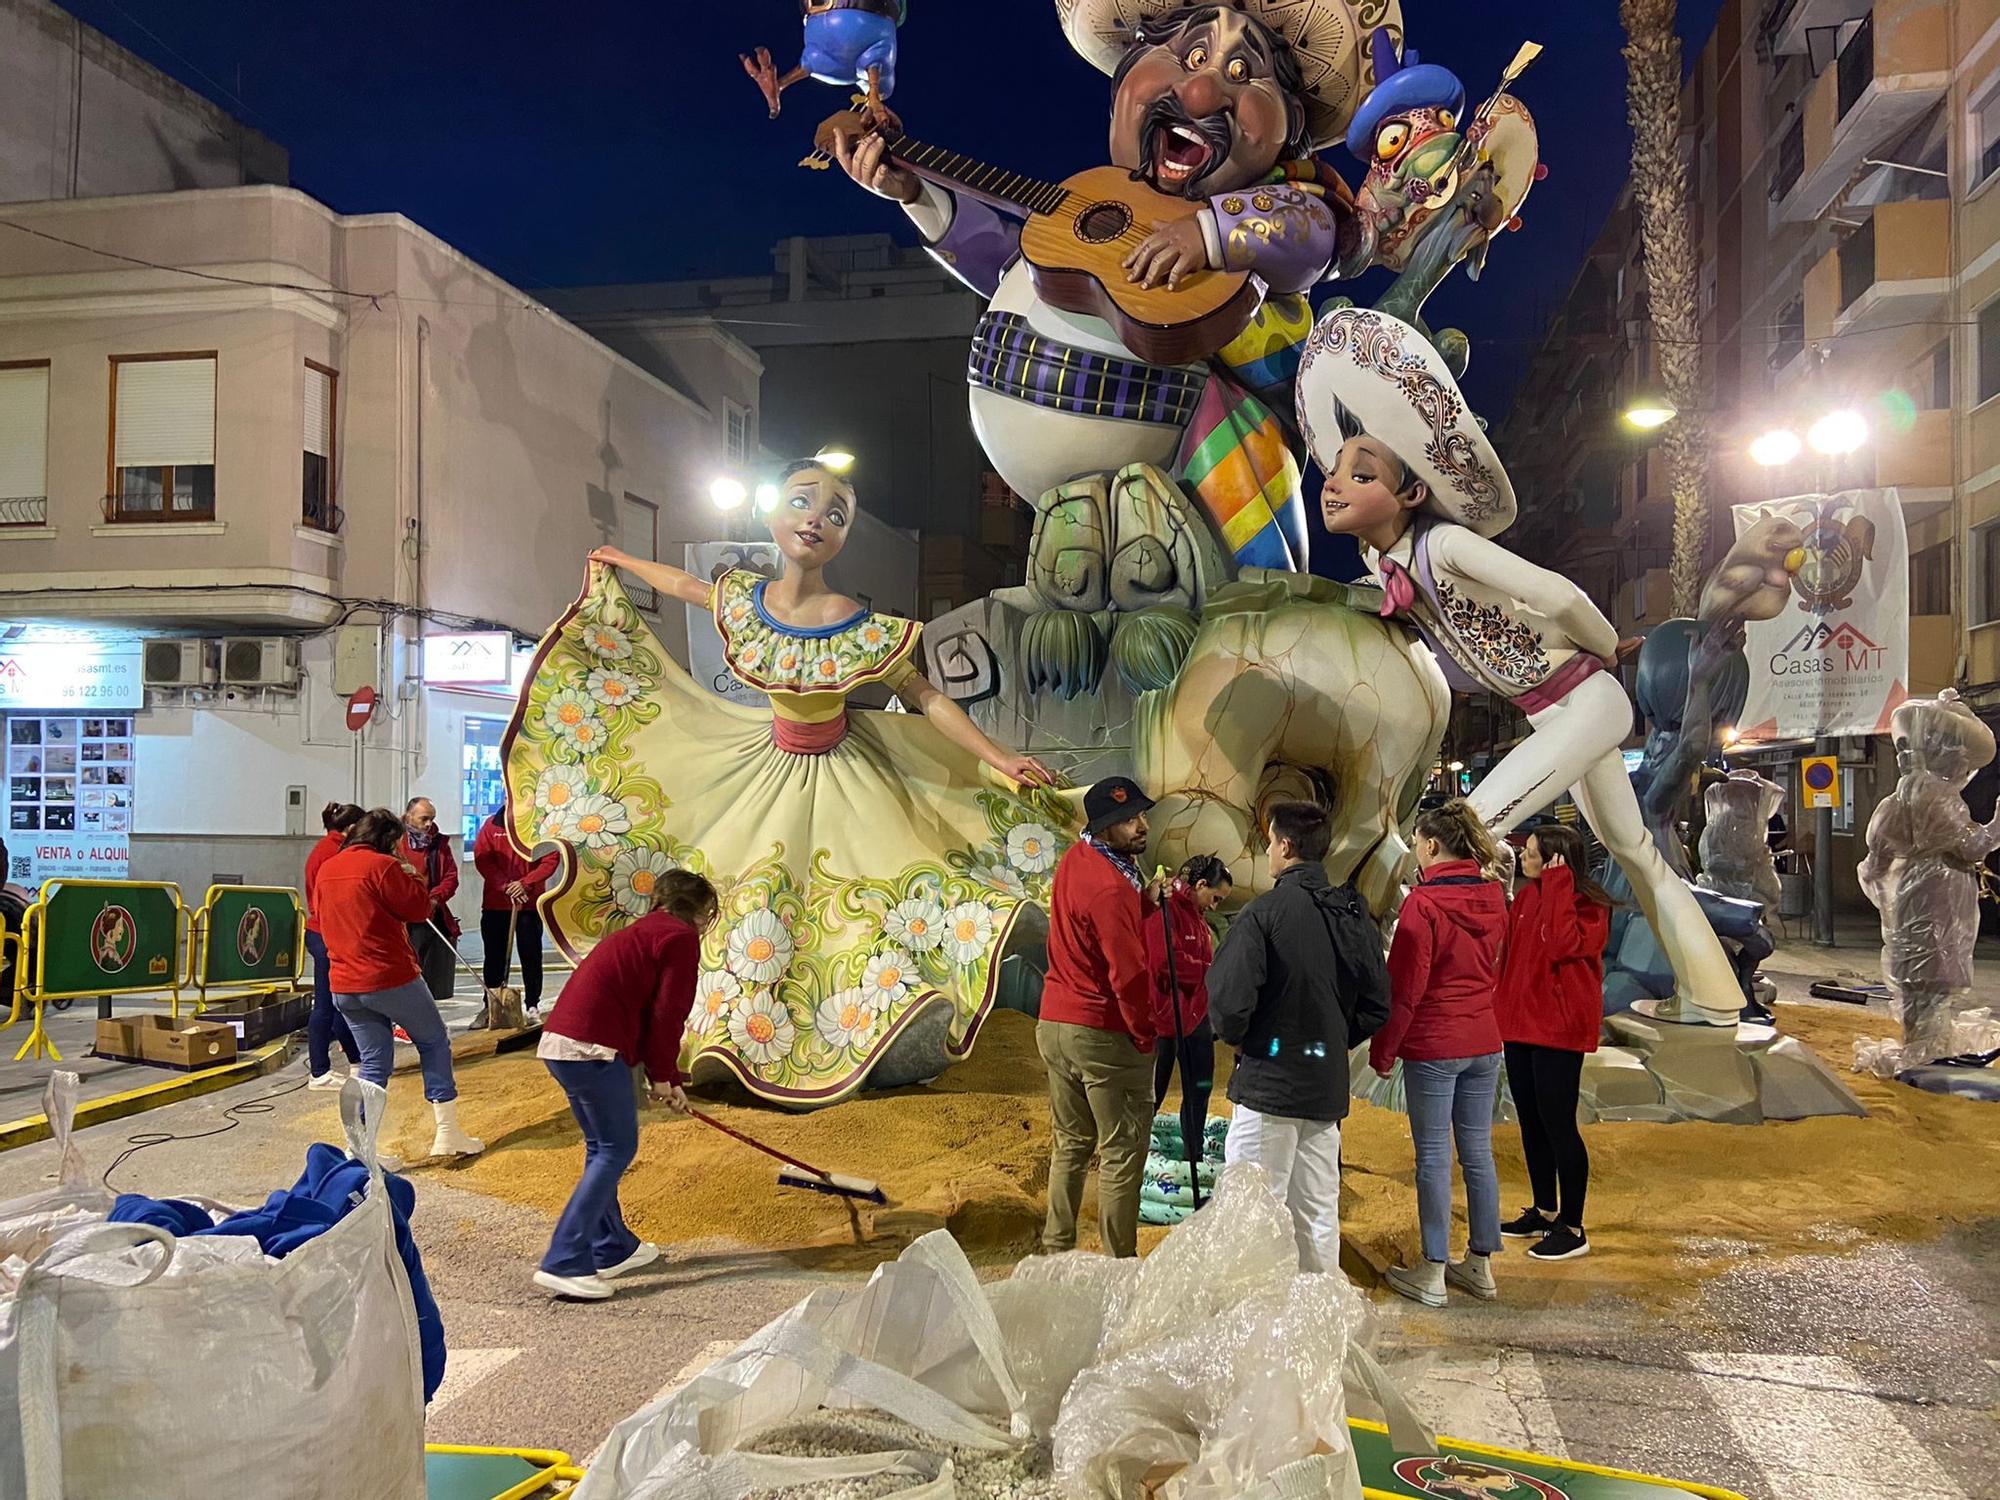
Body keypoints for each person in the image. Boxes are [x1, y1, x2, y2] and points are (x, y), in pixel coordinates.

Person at [1296, 306, 1746, 1027]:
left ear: (1413, 493)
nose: (1335, 482)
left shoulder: (1443, 548)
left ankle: (1439, 1006)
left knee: (1466, 825)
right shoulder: (1388, 566)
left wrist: (1604, 645)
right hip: (1552, 712)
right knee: (1634, 850)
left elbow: (1558, 592)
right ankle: (1716, 999)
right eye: (1337, 468)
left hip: (1587, 699)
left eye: (1362, 471)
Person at [571, 453, 1060, 1108]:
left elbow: (924, 694)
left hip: (845, 776)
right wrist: (621, 561)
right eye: (803, 502)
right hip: (761, 767)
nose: (816, 521)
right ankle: (737, 1037)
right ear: (771, 514)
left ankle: (856, 1034)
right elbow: (686, 586)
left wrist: (998, 757)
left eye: (836, 515)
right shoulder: (744, 599)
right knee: (756, 909)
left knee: (860, 912)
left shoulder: (854, 622)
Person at [1209, 802, 1391, 1274]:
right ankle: (1320, 1330)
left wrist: (1246, 1039)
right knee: (1317, 1216)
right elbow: (1376, 1006)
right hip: (1324, 1091)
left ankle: (1254, 1328)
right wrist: (1331, 1040)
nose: (1268, 850)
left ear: (1285, 847)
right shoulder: (1353, 916)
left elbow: (1229, 1007)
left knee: (1253, 1215)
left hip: (1270, 1089)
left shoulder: (1263, 914)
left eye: (1269, 842)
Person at [534, 868, 718, 1301]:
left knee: (602, 1147)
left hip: (562, 1043)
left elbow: (648, 1010)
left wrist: (666, 1078)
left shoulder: (645, 929)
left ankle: (612, 1246)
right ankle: (564, 1261)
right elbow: (666, 1016)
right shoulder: (678, 938)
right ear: (699, 911)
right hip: (591, 1048)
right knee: (616, 1148)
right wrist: (661, 1076)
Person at [1372, 801, 1509, 1307]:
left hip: (1435, 1042)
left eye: (1416, 840)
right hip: (1483, 1040)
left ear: (1431, 845)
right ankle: (1480, 1265)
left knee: (1432, 1155)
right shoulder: (1495, 896)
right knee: (1477, 1153)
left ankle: (1432, 1271)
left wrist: (1385, 1050)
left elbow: (1406, 988)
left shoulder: (1423, 905)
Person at [1037, 776, 1161, 1258]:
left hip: (1056, 1023)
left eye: (1140, 814)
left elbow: (1090, 932)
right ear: (1105, 828)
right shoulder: (1112, 888)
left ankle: (1057, 1251)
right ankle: (1117, 1268)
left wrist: (1142, 904)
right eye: (1128, 820)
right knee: (1121, 1151)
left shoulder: (1077, 860)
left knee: (1069, 1143)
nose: (1140, 825)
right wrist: (1145, 1033)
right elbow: (1127, 977)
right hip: (1100, 1030)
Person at [317, 809, 483, 1160]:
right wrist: (411, 875)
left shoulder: (327, 868)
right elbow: (418, 909)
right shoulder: (383, 867)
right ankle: (447, 1133)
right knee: (434, 1040)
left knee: (374, 1062)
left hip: (344, 983)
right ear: (388, 840)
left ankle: (359, 1151)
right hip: (388, 976)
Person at [1496, 824, 1612, 1263]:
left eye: (1530, 852)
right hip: (1521, 1025)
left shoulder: (1589, 903)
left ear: (1555, 860)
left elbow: (1562, 945)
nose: (1522, 856)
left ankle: (1573, 1225)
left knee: (1558, 1123)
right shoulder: (1526, 896)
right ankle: (1545, 1209)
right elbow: (1512, 958)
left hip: (1559, 1029)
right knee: (1531, 1120)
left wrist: (1561, 887)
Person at [1146, 854, 1231, 1156]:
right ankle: (1130, 1155)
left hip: (1196, 1019)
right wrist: (1209, 972)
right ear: (1201, 884)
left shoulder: (1197, 918)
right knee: (1151, 1095)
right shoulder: (1165, 907)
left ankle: (1193, 1153)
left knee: (1200, 1089)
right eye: (1215, 897)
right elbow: (1162, 962)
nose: (1215, 905)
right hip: (1164, 1021)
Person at [472, 810, 560, 1017]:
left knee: (531, 955)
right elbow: (483, 859)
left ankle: (532, 1004)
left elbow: (550, 858)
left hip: (528, 905)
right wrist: (504, 886)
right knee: (494, 957)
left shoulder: (540, 825)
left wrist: (525, 884)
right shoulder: (491, 825)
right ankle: (491, 1006)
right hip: (496, 904)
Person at [303, 802, 366, 1089]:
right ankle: (319, 1071)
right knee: (329, 1004)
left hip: (326, 933)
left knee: (336, 1002)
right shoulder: (332, 853)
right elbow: (327, 901)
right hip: (326, 934)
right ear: (351, 828)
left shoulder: (328, 849)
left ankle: (354, 1062)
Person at [400, 797, 461, 1003]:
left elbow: (451, 877)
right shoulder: (394, 841)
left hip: (428, 914)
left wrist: (435, 898)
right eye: (424, 819)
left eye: (431, 819)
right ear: (409, 817)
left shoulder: (439, 844)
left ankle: (418, 1013)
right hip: (399, 916)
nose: (428, 824)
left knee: (422, 969)